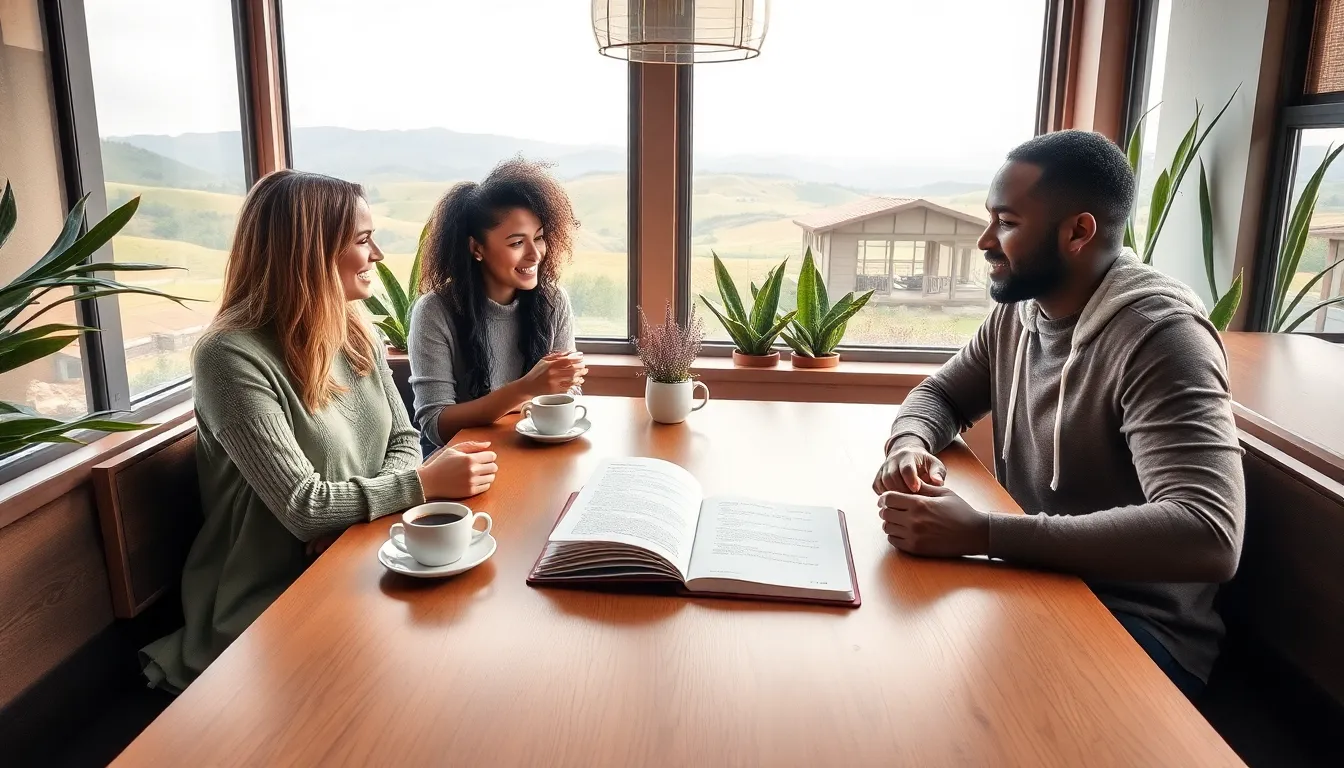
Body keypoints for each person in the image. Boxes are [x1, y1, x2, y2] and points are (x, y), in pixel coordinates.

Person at [872, 130, 1245, 698]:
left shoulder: (1161, 339)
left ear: (1078, 231)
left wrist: (983, 530)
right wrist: (909, 444)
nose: (984, 241)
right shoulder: (1018, 315)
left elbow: (1208, 533)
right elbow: (939, 396)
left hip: (1138, 628)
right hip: (1033, 582)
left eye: (1007, 222)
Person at [142, 170, 497, 693]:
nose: (376, 254)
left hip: (360, 559)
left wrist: (352, 527)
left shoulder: (357, 330)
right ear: (308, 252)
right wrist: (422, 486)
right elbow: (303, 508)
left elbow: (402, 439)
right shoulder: (230, 357)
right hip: (273, 599)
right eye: (361, 239)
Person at [409, 158, 585, 452]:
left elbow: (569, 395)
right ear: (477, 248)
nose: (535, 255)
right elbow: (436, 425)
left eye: (539, 238)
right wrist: (526, 389)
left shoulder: (554, 301)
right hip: (465, 462)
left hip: (537, 453)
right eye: (517, 243)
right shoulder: (434, 311)